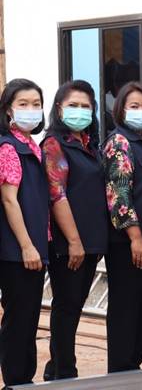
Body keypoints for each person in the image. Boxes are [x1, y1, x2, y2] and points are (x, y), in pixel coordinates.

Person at [41, 80, 108, 381]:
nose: (80, 111)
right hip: (70, 243)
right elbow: (57, 194)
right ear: (59, 109)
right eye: (73, 105)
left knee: (73, 306)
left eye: (85, 106)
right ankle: (65, 372)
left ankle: (55, 367)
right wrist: (74, 241)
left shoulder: (90, 145)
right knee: (66, 307)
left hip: (91, 241)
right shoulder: (54, 144)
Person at [102, 82, 142, 373]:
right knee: (125, 307)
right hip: (128, 241)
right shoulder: (119, 142)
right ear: (121, 110)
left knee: (141, 305)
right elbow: (118, 193)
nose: (141, 111)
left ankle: (132, 366)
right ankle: (120, 371)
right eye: (134, 106)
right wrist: (135, 237)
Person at [0, 78, 48, 387]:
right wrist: (27, 246)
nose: (31, 110)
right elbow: (9, 200)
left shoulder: (31, 146)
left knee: (28, 317)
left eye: (36, 104)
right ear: (8, 111)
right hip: (18, 250)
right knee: (19, 319)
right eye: (23, 104)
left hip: (33, 247)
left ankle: (23, 380)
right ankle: (16, 381)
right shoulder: (9, 147)